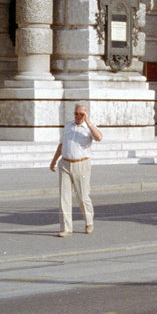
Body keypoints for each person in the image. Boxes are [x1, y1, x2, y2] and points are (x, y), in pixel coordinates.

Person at [49, 102, 103, 237]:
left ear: (86, 114)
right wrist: (54, 160)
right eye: (76, 113)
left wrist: (88, 122)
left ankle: (89, 222)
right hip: (65, 164)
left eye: (81, 113)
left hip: (81, 165)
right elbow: (62, 144)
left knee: (83, 196)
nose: (78, 116)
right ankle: (66, 228)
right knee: (64, 198)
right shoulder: (68, 125)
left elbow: (99, 138)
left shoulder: (89, 128)